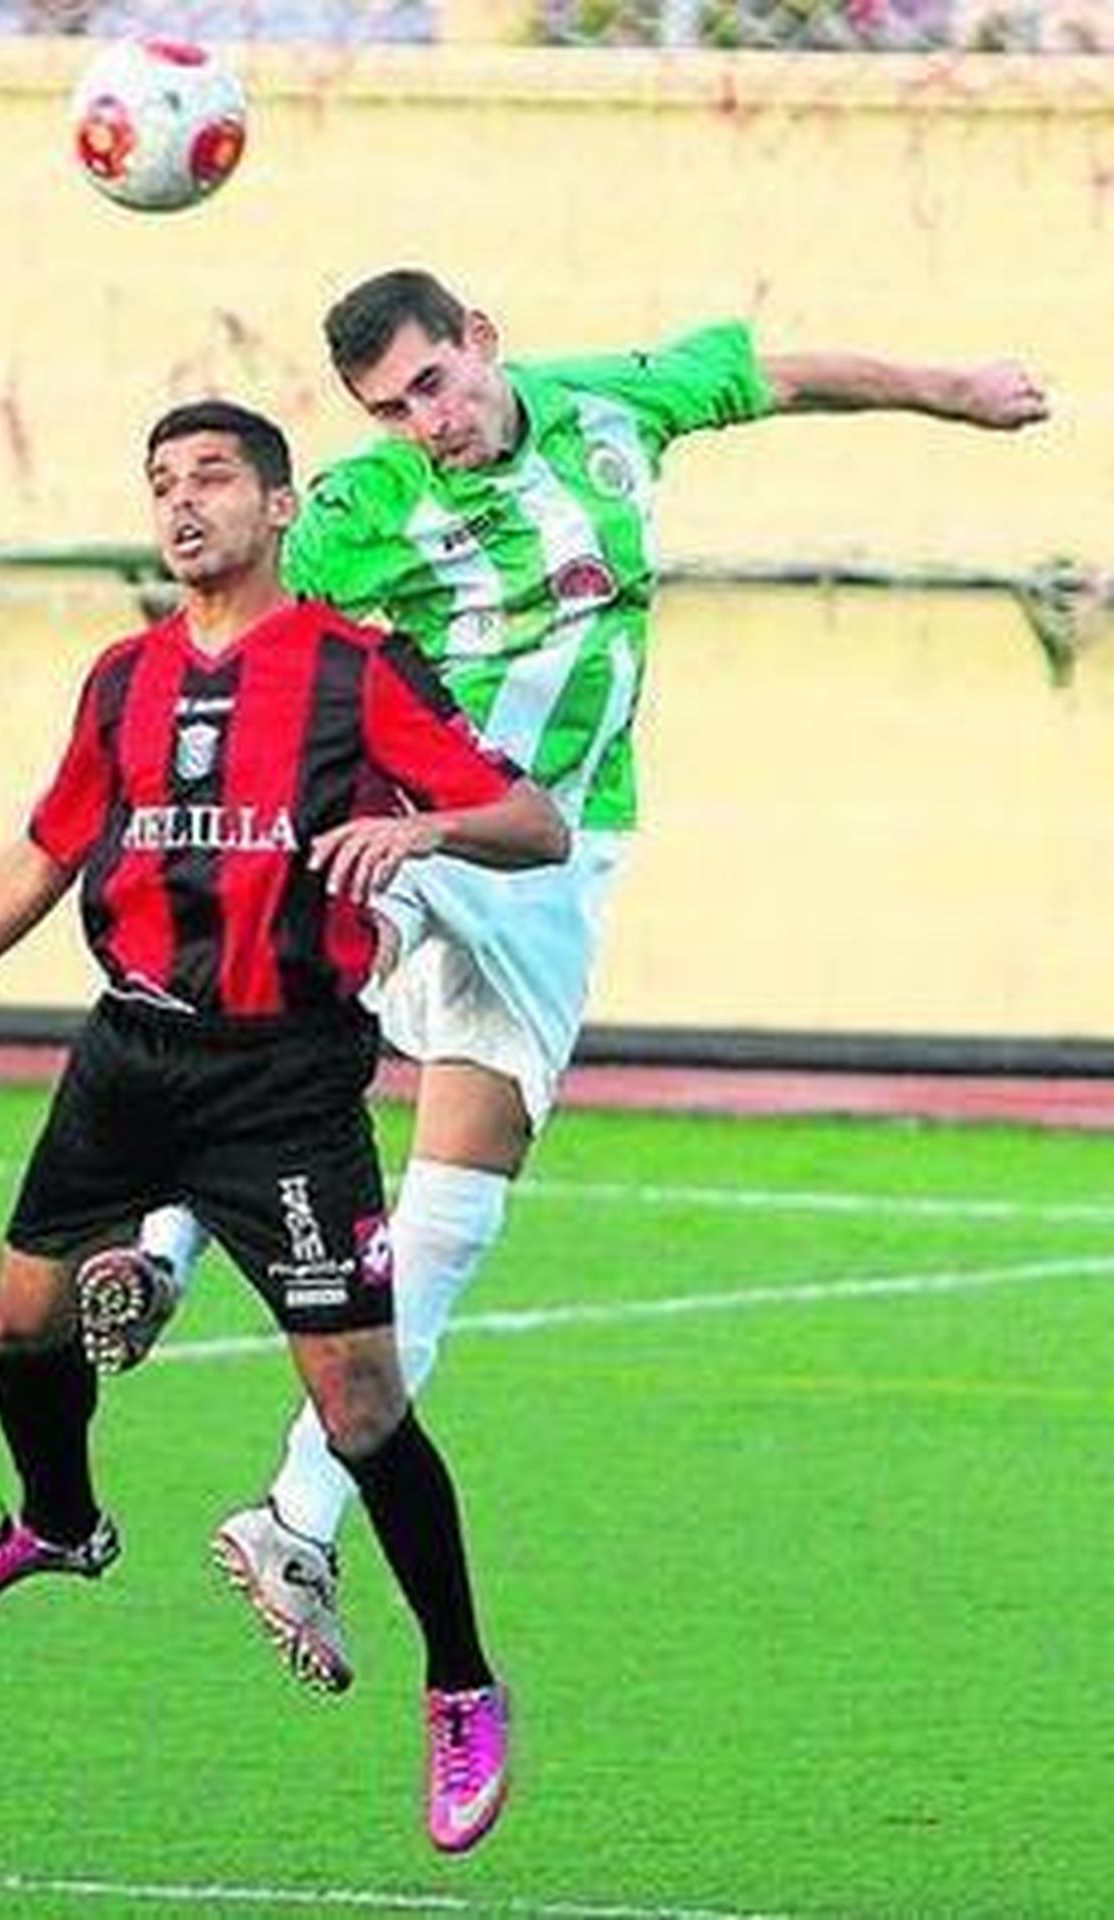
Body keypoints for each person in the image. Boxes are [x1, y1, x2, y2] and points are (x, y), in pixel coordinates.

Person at [78, 269, 1053, 1693]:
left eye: (433, 386)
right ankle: (159, 1252)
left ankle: (296, 1515)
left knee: (457, 1208)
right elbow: (241, 622)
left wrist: (954, 392)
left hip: (562, 853)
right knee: (291, 1008)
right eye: (388, 409)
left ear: (481, 341)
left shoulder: (612, 402)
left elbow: (776, 375)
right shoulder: (361, 511)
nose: (426, 424)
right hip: (418, 813)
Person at [0, 398, 569, 1855]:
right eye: (161, 482)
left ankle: (462, 1685)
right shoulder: (121, 681)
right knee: (16, 1322)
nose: (183, 501)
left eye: (213, 476)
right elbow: (38, 856)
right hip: (132, 1053)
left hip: (283, 1083)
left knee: (362, 1409)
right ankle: (58, 1527)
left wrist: (428, 826)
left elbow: (537, 824)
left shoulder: (356, 671)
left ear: (280, 508)